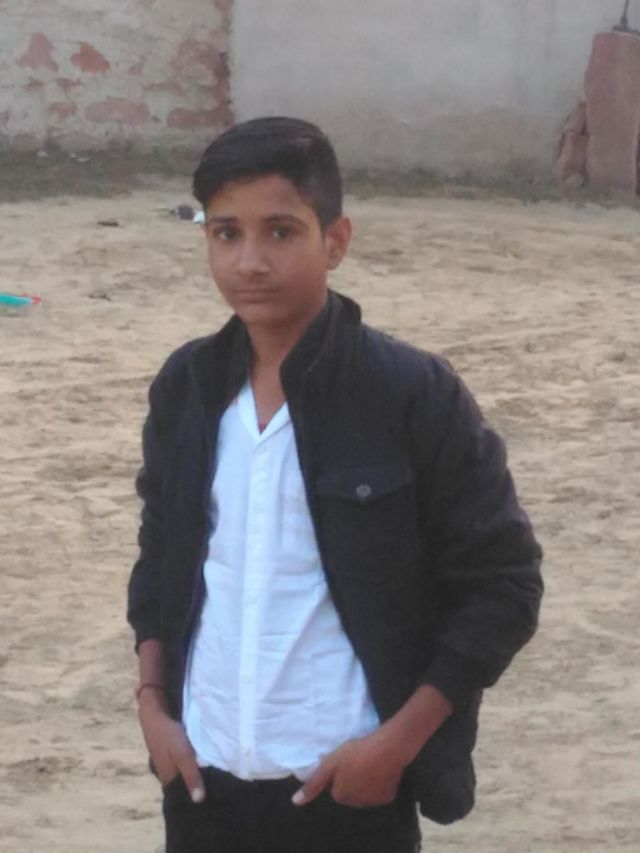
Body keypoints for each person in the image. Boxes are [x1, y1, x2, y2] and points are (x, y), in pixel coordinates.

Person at [127, 116, 543, 853]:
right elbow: (160, 557)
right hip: (201, 777)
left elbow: (503, 586)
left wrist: (397, 744)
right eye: (226, 233)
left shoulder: (410, 393)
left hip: (346, 785)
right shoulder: (187, 386)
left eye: (281, 232)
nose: (250, 261)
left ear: (336, 241)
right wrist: (153, 708)